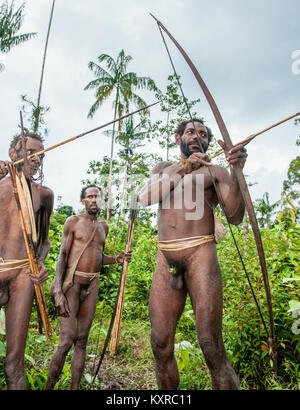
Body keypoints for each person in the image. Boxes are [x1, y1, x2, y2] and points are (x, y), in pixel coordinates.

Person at [138, 118, 248, 390]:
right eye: (190, 132)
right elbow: (145, 198)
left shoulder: (215, 172)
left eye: (202, 133)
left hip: (201, 255)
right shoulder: (163, 168)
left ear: (209, 142)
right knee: (160, 342)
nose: (196, 136)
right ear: (178, 139)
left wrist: (236, 170)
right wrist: (182, 169)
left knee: (211, 344)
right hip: (166, 259)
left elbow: (234, 216)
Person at [47, 184, 132, 390]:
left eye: (97, 197)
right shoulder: (73, 222)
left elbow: (97, 257)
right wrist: (58, 291)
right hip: (72, 285)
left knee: (82, 341)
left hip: (92, 284)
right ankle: (49, 386)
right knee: (67, 340)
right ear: (83, 200)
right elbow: (63, 257)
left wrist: (116, 259)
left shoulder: (104, 227)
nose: (94, 200)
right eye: (89, 197)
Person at [0, 130, 54, 390]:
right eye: (31, 152)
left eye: (40, 155)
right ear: (13, 153)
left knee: (14, 363)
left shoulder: (43, 194)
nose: (36, 159)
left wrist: (40, 263)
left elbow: (42, 242)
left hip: (22, 275)